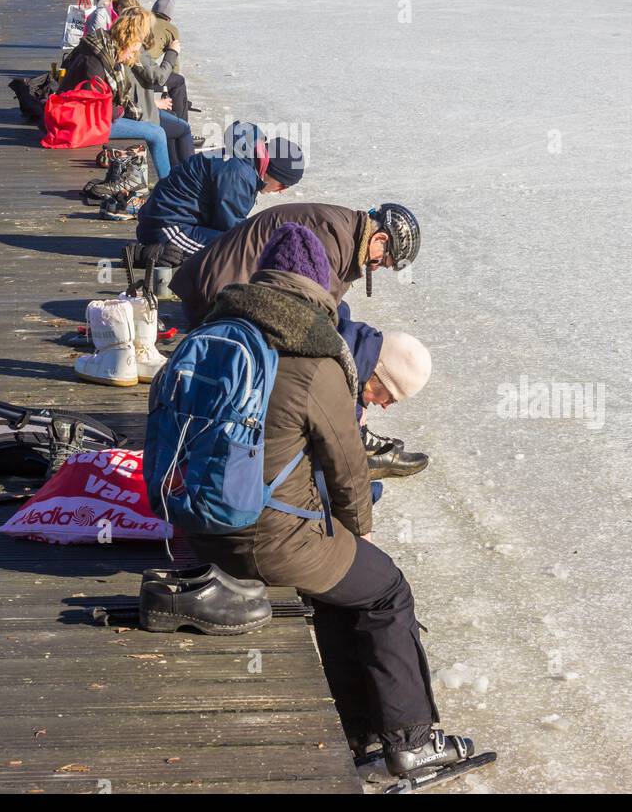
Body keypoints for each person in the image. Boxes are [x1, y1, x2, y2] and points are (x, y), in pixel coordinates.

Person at [186, 224, 473, 778]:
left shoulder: (216, 332)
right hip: (263, 539)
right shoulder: (315, 359)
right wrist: (358, 531)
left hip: (198, 527)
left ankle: (362, 730)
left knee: (343, 589)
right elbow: (347, 468)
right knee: (386, 589)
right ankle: (410, 741)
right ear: (317, 288)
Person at [170, 201, 420, 328]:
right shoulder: (333, 236)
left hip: (223, 290)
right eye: (383, 262)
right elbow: (314, 315)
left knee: (343, 317)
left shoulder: (345, 229)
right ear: (380, 238)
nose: (375, 268)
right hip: (215, 303)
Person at [135, 120, 304, 264]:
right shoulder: (239, 173)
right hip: (167, 226)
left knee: (240, 247)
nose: (280, 191)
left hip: (178, 218)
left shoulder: (244, 160)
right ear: (271, 172)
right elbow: (232, 229)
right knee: (233, 251)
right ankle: (146, 254)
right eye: (282, 186)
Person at [336, 302, 430, 478]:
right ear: (378, 373)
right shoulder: (332, 376)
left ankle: (359, 435)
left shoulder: (343, 332)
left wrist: (357, 398)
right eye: (391, 398)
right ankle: (359, 439)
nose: (385, 406)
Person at [104, 8, 190, 181]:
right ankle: (183, 180)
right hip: (138, 113)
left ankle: (178, 175)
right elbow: (158, 77)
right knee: (179, 129)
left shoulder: (121, 44)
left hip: (137, 107)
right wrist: (172, 53)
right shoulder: (134, 50)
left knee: (175, 125)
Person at [142, 0, 191, 124]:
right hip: (145, 74)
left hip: (133, 68)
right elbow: (174, 62)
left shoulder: (143, 21)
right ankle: (181, 125)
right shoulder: (171, 29)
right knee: (178, 82)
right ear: (169, 16)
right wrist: (172, 92)